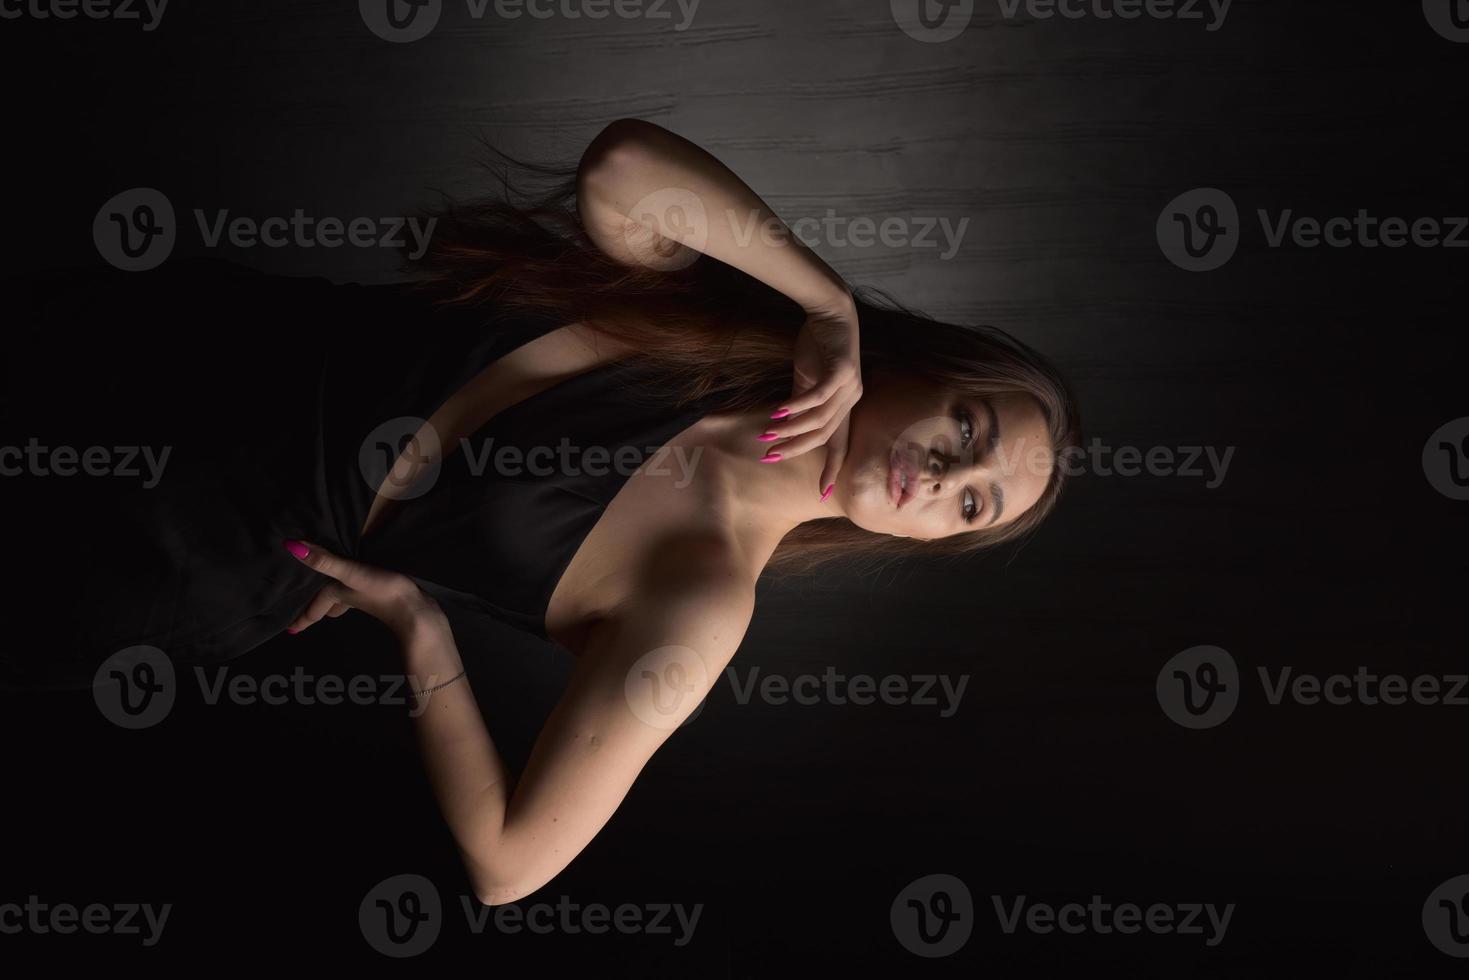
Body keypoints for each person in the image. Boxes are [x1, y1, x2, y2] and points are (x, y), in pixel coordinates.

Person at [1, 118, 1081, 906]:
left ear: (926, 539)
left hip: (179, 549)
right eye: (969, 430)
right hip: (168, 343)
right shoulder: (724, 314)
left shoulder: (700, 597)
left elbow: (508, 859)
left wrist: (419, 630)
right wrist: (824, 302)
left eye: (968, 505)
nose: (940, 477)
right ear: (927, 369)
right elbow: (622, 167)